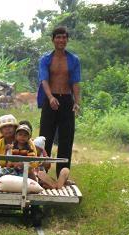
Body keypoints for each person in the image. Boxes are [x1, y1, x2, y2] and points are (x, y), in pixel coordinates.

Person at [37, 26, 81, 178]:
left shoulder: (73, 60)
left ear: (67, 40)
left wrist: (77, 102)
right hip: (51, 99)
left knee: (66, 139)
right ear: (53, 40)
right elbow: (44, 80)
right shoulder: (46, 59)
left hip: (67, 100)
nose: (61, 40)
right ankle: (42, 173)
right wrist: (50, 97)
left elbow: (75, 82)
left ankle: (63, 174)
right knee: (45, 138)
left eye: (64, 37)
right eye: (58, 37)